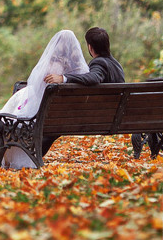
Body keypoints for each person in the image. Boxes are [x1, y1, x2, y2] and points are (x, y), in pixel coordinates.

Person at [0, 29, 89, 170]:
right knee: (21, 98)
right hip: (65, 116)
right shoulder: (80, 69)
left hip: (43, 115)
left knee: (21, 98)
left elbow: (36, 86)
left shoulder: (52, 66)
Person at [41, 26, 125, 156]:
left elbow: (94, 77)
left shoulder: (99, 63)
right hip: (115, 116)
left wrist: (64, 78)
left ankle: (33, 154)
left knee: (55, 123)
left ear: (90, 47)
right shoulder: (116, 65)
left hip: (98, 118)